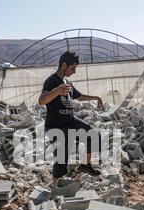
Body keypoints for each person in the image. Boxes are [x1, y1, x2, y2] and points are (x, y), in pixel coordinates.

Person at [38, 51, 103, 184]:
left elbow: (79, 96)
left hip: (70, 121)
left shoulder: (67, 82)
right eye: (72, 68)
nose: (74, 71)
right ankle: (56, 185)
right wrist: (56, 91)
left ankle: (85, 165)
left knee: (94, 136)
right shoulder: (51, 81)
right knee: (62, 156)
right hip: (55, 126)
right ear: (64, 66)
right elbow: (41, 100)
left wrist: (96, 97)